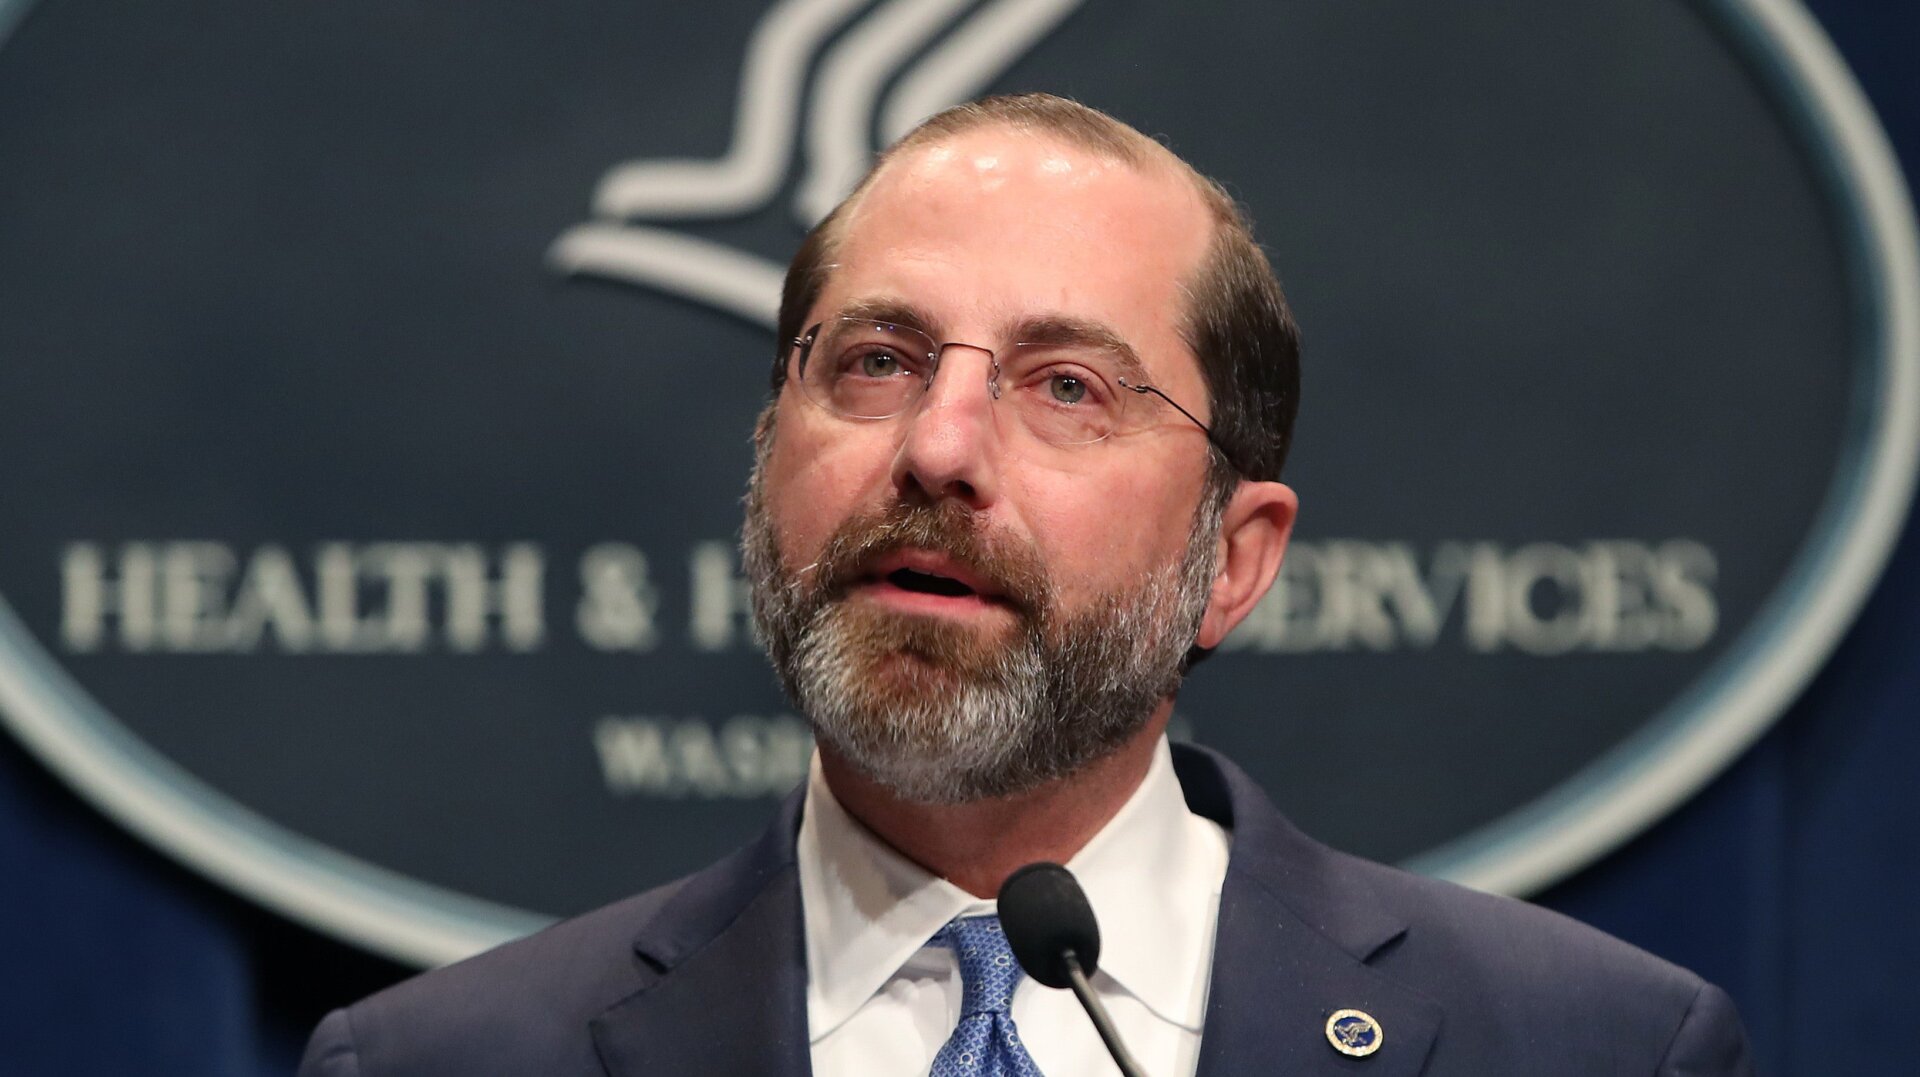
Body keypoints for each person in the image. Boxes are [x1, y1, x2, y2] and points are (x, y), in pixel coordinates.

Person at [298, 94, 1753, 1076]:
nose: (938, 448)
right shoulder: (444, 1062)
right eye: (877, 361)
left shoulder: (1594, 1049)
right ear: (767, 455)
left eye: (1067, 387)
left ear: (1233, 559)